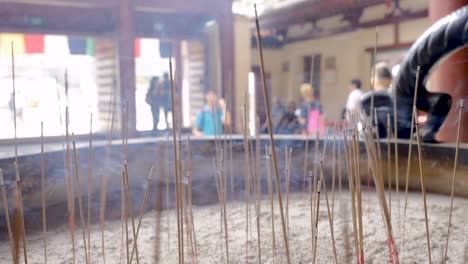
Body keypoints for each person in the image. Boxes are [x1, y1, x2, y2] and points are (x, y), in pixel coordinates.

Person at [361, 63, 394, 137]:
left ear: (374, 79)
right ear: (390, 79)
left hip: (374, 142)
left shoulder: (366, 99)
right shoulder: (398, 96)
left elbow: (367, 126)